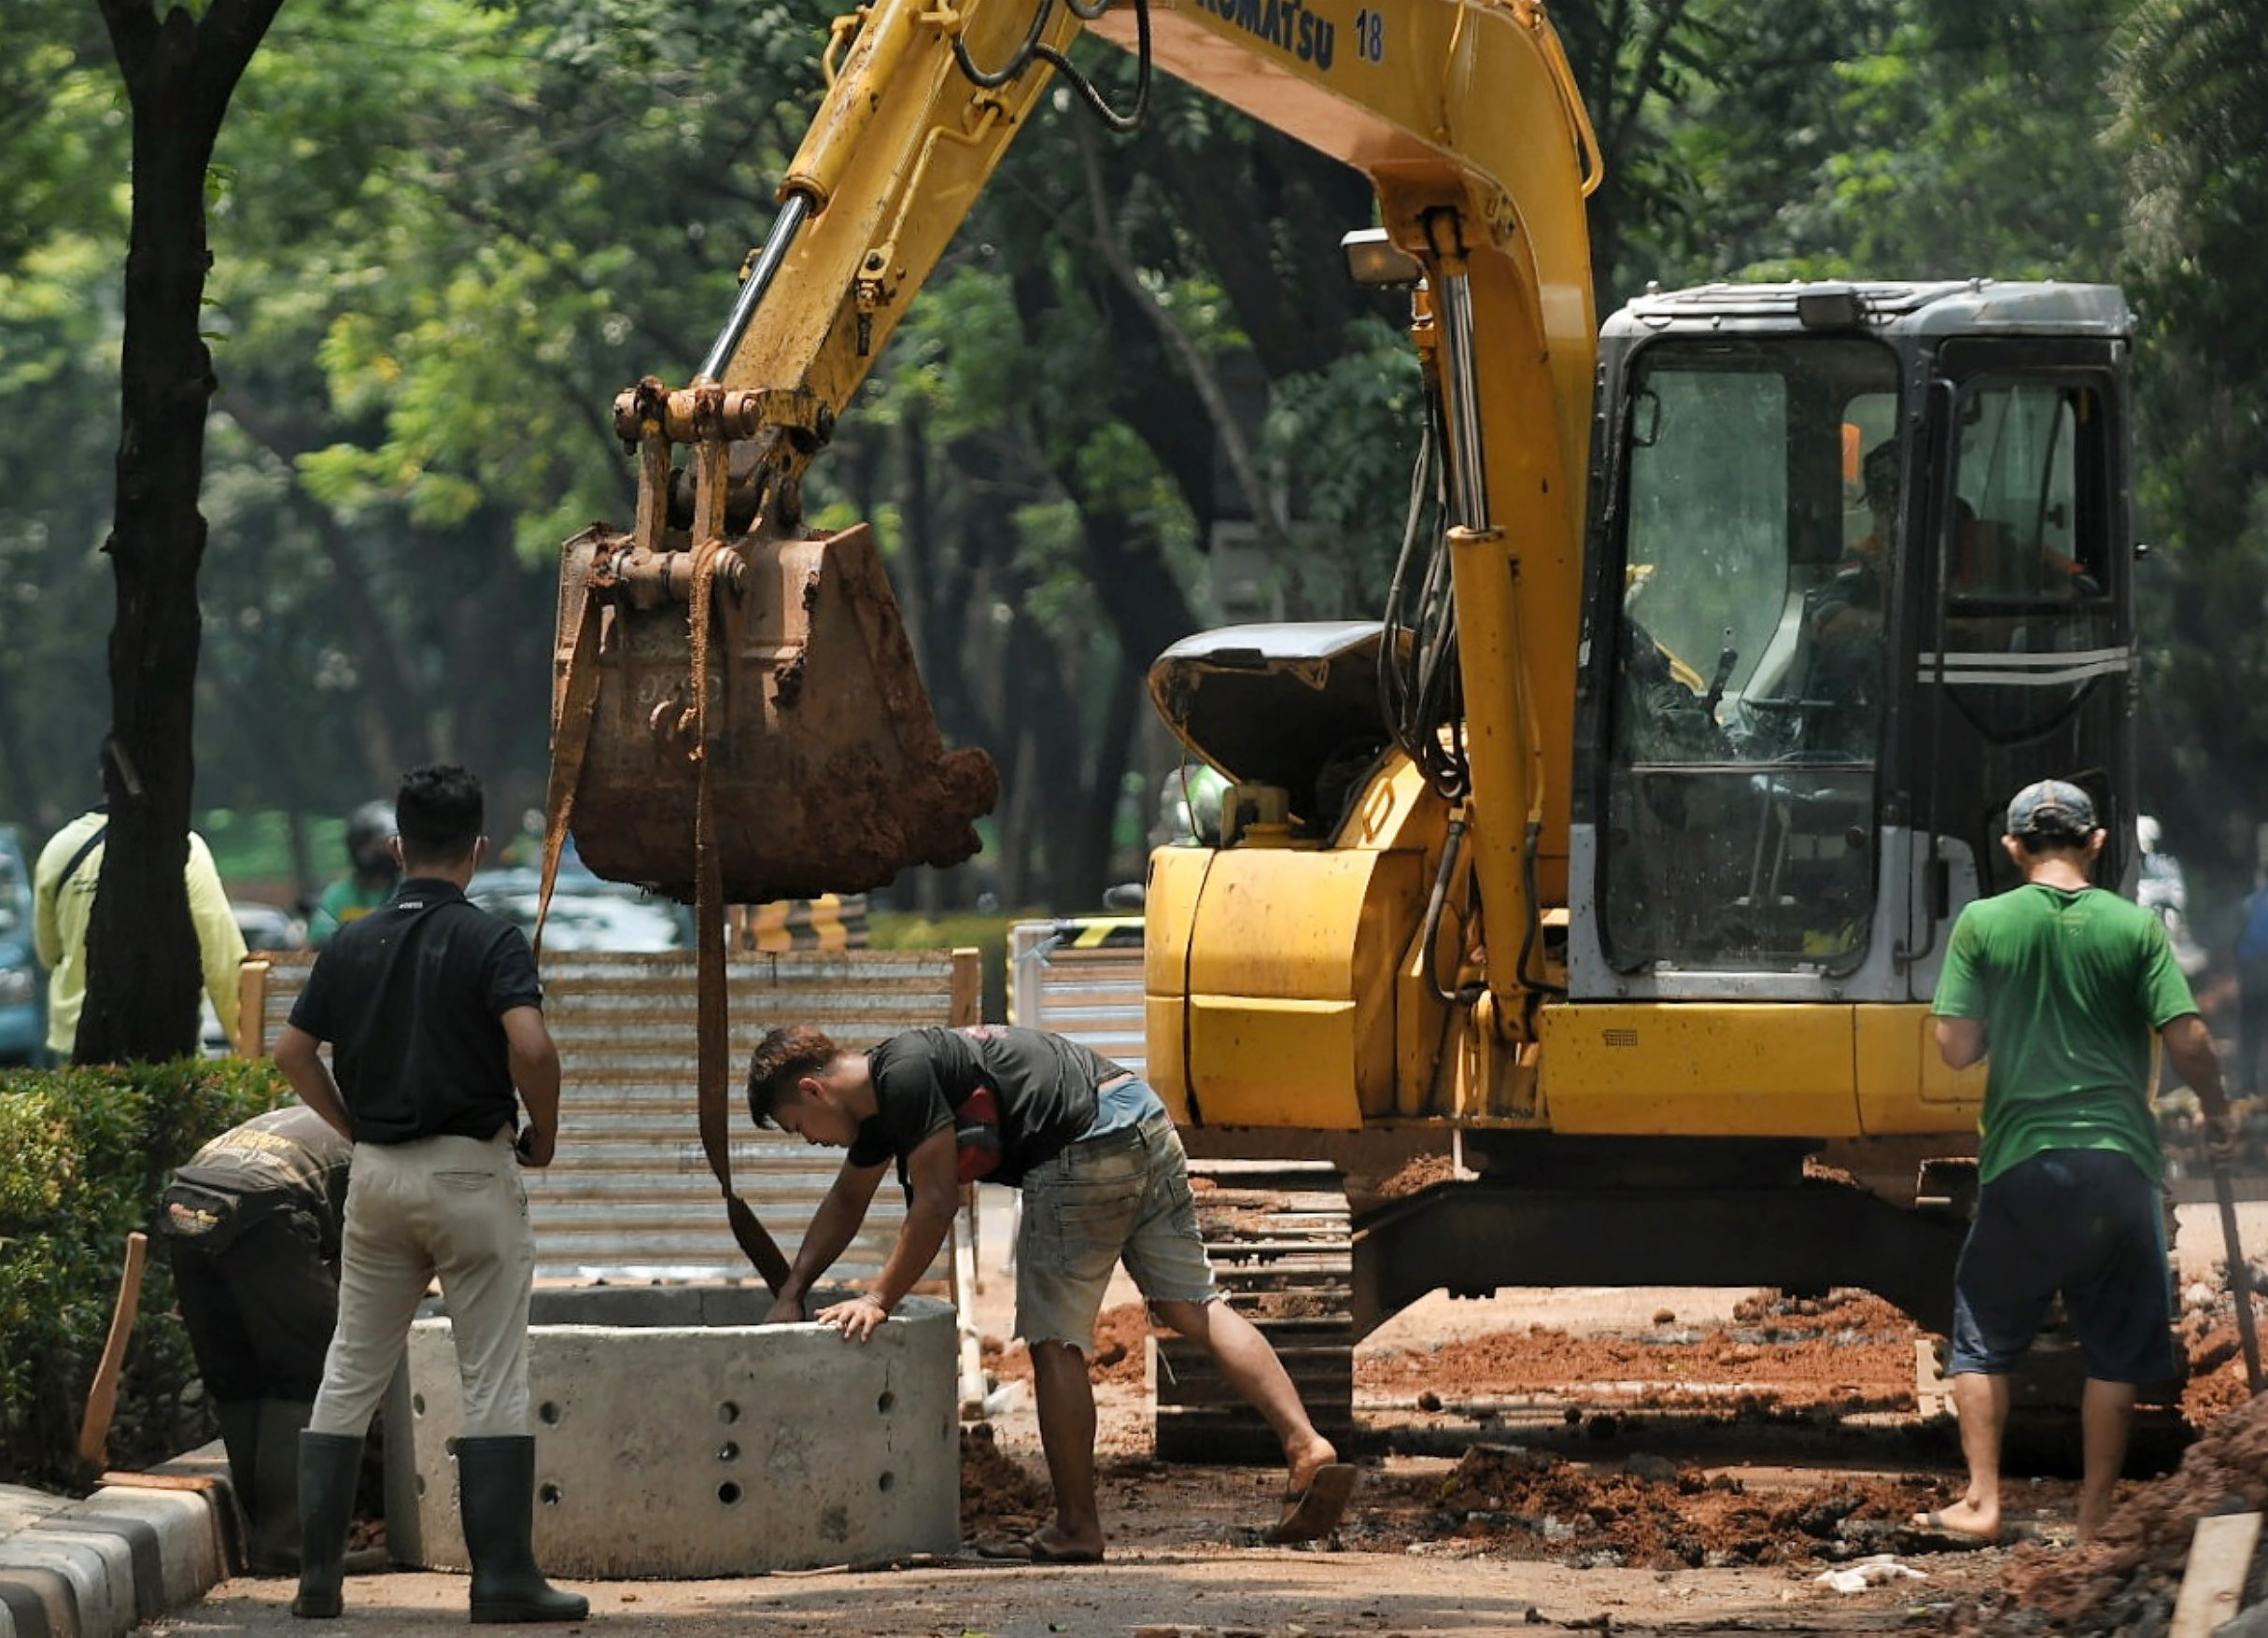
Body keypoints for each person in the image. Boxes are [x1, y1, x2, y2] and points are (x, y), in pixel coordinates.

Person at [745, 1021, 1358, 1563]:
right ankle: (1307, 1445)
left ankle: (1076, 1528)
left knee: (1053, 1339)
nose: (813, 1142)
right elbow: (847, 1198)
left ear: (812, 1090)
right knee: (1191, 1305)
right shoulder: (887, 1096)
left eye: (800, 1128)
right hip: (1136, 1112)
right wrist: (792, 1292)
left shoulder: (903, 1074)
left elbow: (933, 1204)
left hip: (1079, 1141)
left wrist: (876, 1299)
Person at [272, 764, 585, 1623]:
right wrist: (544, 1135)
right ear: (479, 851)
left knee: (351, 1368)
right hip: (470, 1173)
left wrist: (353, 1129)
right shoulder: (492, 941)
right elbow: (533, 1045)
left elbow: (292, 1054)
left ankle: (318, 1582)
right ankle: (503, 1581)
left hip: (377, 1177)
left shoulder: (350, 941)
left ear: (399, 846)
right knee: (490, 1376)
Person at [1918, 779, 2233, 1546]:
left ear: (2011, 847)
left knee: (1984, 1330)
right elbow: (2187, 1037)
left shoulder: (1983, 924)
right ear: (2096, 842)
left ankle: (1984, 1501)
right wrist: (2218, 1112)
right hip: (2117, 1165)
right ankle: (2094, 1514)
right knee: (2114, 1343)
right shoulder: (2134, 928)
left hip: (2023, 1160)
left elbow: (1955, 1046)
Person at [155, 1104, 352, 1574]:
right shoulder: (371, 1144)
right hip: (267, 1206)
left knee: (237, 1375)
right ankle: (289, 1546)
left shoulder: (301, 1116)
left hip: (186, 1200)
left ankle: (262, 1531)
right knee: (307, 1373)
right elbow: (364, 1262)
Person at [32, 792, 248, 1061]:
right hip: (162, 1042)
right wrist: (248, 1046)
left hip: (77, 1042)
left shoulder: (59, 849)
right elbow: (221, 958)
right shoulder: (183, 848)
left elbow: (49, 952)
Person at [305, 802, 400, 947]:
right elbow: (317, 939)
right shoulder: (337, 895)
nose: (389, 849)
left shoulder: (405, 889)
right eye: (379, 843)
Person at [2235, 873, 2268, 1099]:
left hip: (2250, 974)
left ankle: (2246, 1085)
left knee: (2250, 1031)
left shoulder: (2251, 902)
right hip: (2260, 970)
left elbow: (2237, 943)